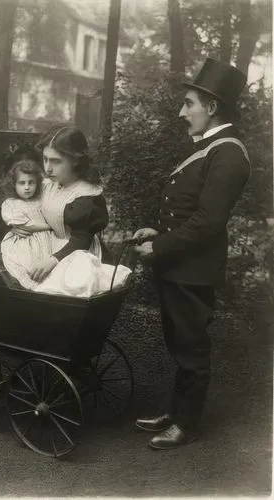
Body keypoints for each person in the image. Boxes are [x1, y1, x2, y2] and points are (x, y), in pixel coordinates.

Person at [132, 58, 251, 449]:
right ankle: (178, 411)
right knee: (180, 344)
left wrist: (160, 245)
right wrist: (158, 231)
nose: (182, 112)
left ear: (211, 107)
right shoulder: (211, 148)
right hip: (180, 266)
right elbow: (189, 212)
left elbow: (208, 221)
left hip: (193, 270)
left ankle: (188, 424)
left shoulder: (228, 152)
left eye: (189, 104)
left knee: (192, 348)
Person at [31, 125, 131, 296]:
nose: (48, 168)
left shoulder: (86, 195)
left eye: (56, 161)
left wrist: (53, 260)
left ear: (76, 160)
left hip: (77, 254)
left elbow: (81, 239)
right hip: (48, 246)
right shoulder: (48, 185)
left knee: (60, 291)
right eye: (45, 159)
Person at [0, 159, 55, 290]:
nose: (27, 187)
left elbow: (49, 182)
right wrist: (50, 226)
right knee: (29, 265)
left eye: (31, 182)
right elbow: (27, 226)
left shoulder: (40, 199)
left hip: (48, 240)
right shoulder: (11, 203)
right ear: (14, 184)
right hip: (26, 241)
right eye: (22, 183)